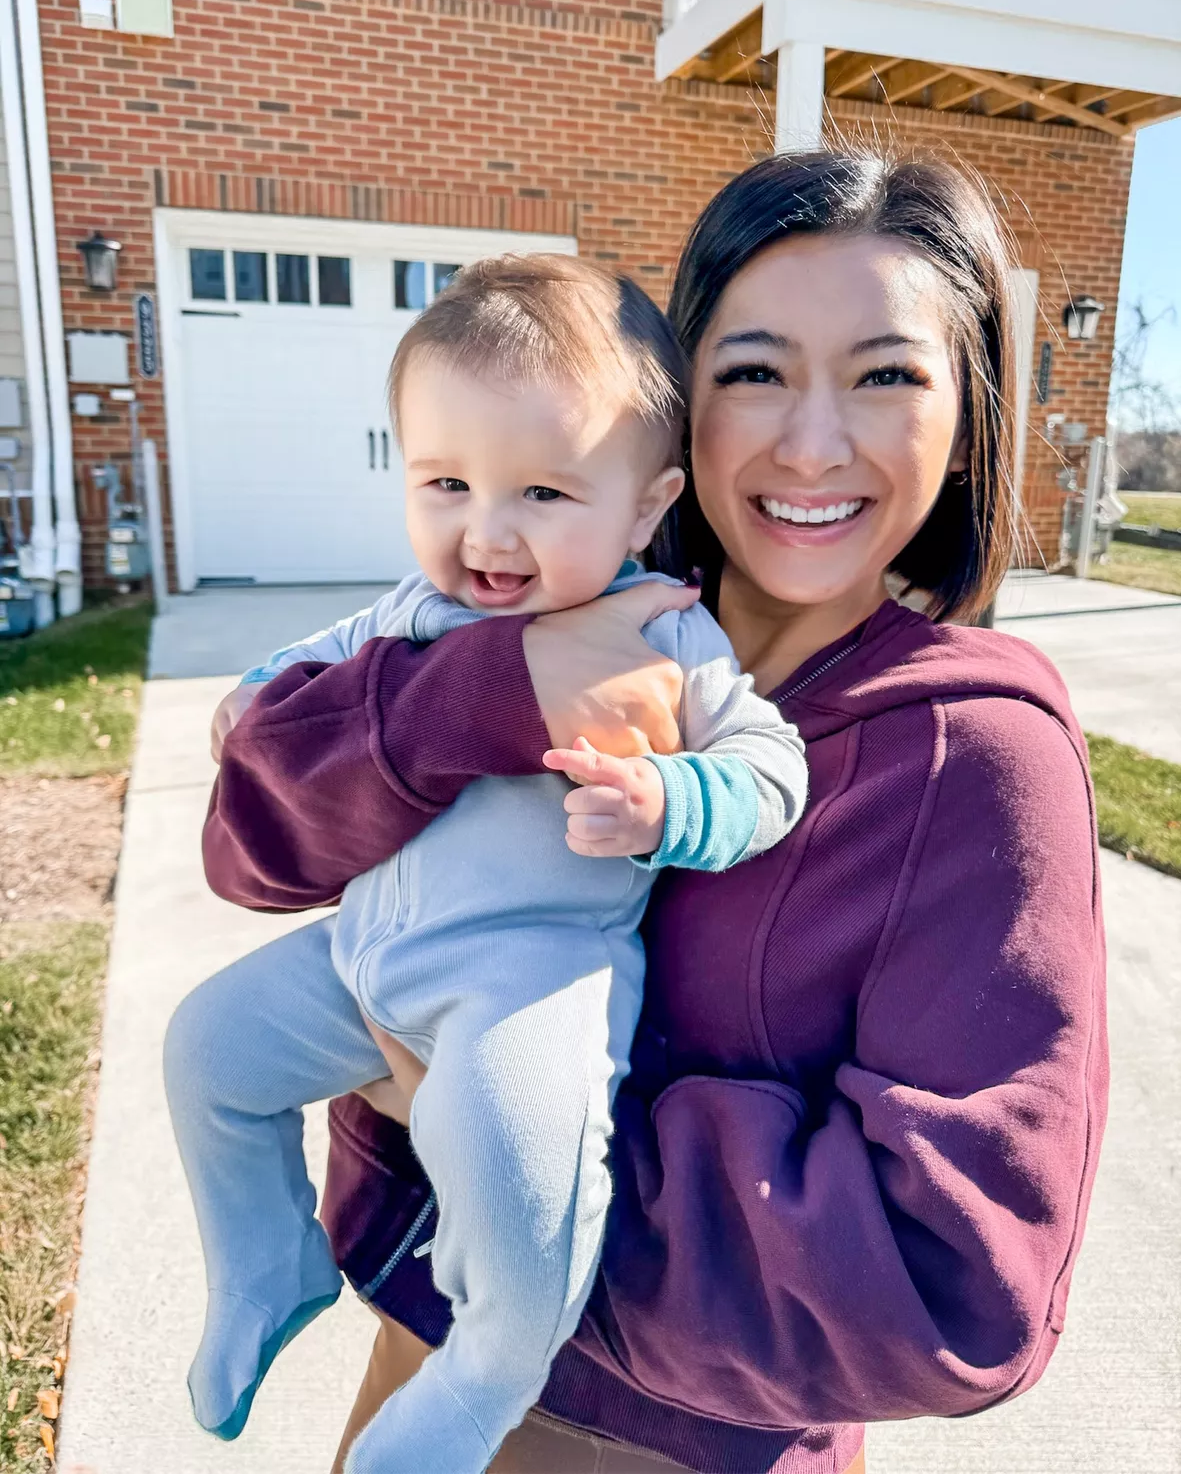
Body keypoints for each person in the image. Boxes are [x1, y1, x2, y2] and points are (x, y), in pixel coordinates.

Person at [203, 151, 1108, 1474]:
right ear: (678, 407)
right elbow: (250, 846)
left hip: (658, 1445)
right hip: (411, 1366)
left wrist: (471, 1101)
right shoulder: (557, 600)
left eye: (886, 373)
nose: (812, 440)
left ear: (966, 415)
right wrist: (488, 693)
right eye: (752, 370)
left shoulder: (970, 754)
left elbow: (958, 1292)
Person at [168, 255, 807, 1474]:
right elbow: (282, 686)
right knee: (206, 1049)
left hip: (525, 983)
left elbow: (770, 772)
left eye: (543, 492)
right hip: (362, 960)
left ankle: (472, 1393)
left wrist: (669, 798)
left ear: (642, 503)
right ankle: (264, 1260)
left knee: (522, 1198)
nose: (487, 530)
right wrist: (246, 708)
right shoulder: (409, 606)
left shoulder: (665, 625)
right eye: (446, 482)